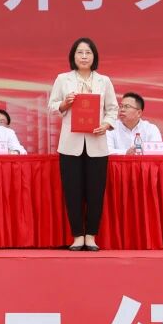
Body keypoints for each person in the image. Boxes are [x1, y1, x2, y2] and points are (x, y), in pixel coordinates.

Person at [48, 37, 118, 252]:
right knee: (73, 191)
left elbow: (112, 109)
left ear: (94, 57)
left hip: (97, 144)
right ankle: (78, 235)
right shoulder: (63, 79)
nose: (84, 56)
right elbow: (51, 106)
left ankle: (91, 236)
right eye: (80, 52)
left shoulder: (104, 81)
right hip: (70, 144)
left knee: (95, 191)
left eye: (88, 53)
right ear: (73, 56)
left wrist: (106, 124)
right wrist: (64, 103)